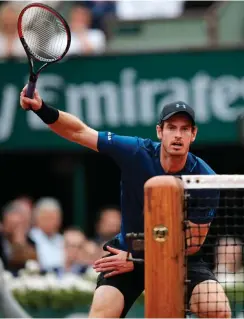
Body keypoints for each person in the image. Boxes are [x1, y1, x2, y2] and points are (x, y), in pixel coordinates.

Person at [19, 87, 231, 318]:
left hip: (179, 259)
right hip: (125, 253)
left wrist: (139, 260)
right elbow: (79, 132)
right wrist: (42, 109)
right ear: (160, 132)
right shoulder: (135, 151)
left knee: (218, 310)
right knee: (101, 315)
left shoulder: (204, 179)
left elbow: (191, 244)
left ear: (193, 134)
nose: (177, 135)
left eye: (184, 129)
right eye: (171, 128)